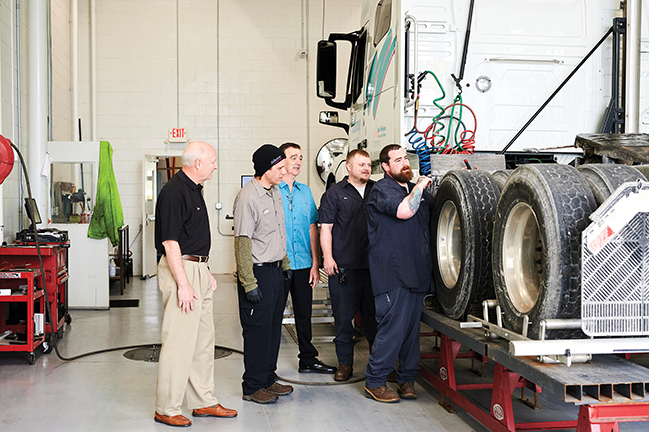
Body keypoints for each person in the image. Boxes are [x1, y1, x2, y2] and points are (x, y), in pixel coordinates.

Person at [154, 141, 237, 427]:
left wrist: (205, 270)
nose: (216, 166)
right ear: (198, 163)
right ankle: (166, 408)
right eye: (213, 161)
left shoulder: (195, 190)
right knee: (179, 342)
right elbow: (170, 242)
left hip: (198, 268)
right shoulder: (174, 192)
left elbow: (191, 237)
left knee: (203, 341)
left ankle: (203, 401)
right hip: (182, 270)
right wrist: (184, 284)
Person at [364, 144, 433, 403]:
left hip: (416, 272)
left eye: (406, 158)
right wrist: (420, 186)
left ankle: (406, 378)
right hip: (393, 274)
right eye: (398, 160)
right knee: (392, 330)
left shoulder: (412, 189)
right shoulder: (382, 189)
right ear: (385, 166)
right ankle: (375, 381)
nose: (405, 163)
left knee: (411, 333)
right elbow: (404, 211)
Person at [233, 144, 294, 404]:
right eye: (279, 167)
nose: (284, 172)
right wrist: (249, 283)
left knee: (272, 329)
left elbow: (278, 233)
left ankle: (268, 379)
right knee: (257, 331)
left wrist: (285, 264)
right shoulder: (248, 197)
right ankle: (252, 386)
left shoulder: (274, 192)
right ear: (265, 169)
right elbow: (242, 242)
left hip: (275, 272)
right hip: (257, 274)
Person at [319, 149, 377, 382]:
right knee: (344, 320)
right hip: (344, 268)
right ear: (348, 166)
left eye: (369, 165)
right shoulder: (334, 194)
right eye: (361, 164)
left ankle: (379, 366)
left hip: (373, 269)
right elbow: (326, 228)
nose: (366, 168)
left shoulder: (377, 190)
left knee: (375, 320)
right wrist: (328, 257)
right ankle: (345, 364)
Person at [278, 143, 336, 375]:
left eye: (301, 158)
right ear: (281, 161)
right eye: (293, 157)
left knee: (304, 314)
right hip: (279, 264)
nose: (298, 162)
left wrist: (315, 263)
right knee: (273, 316)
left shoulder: (305, 192)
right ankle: (267, 366)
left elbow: (313, 228)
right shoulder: (272, 190)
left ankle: (308, 360)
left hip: (303, 264)